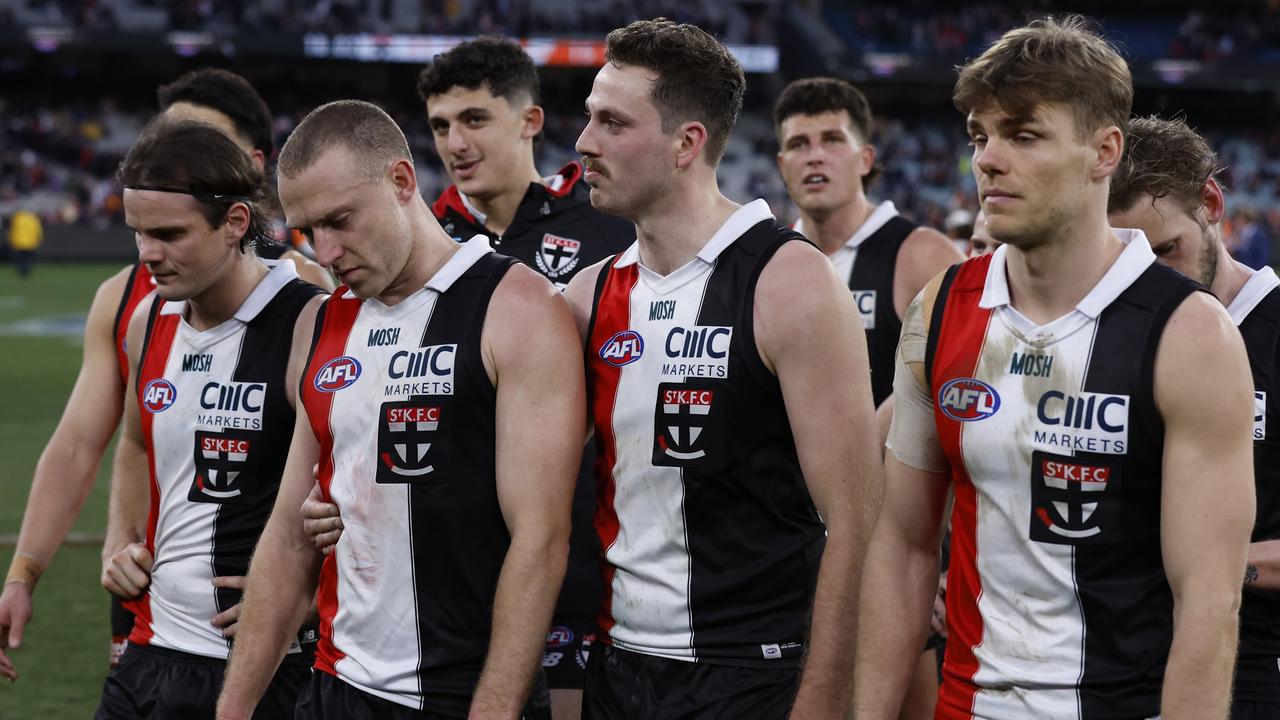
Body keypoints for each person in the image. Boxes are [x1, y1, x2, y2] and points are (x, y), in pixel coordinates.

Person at [854, 16, 1254, 720]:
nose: (988, 159)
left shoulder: (1192, 335)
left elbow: (1209, 603)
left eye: (1024, 134)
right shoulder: (941, 308)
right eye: (980, 136)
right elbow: (904, 546)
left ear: (1104, 152)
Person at [216, 100, 584, 720]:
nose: (325, 251)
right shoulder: (324, 320)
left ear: (401, 181)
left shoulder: (516, 305)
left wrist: (493, 708)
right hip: (333, 688)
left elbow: (540, 538)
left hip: (461, 695)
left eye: (340, 220)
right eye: (308, 230)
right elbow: (287, 536)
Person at [562, 19, 879, 719]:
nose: (585, 142)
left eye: (612, 122)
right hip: (616, 670)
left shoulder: (790, 282)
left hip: (751, 673)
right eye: (589, 118)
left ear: (687, 142)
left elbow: (858, 522)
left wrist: (822, 699)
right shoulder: (589, 295)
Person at [0, 67, 334, 682]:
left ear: (248, 175)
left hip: (258, 617)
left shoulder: (307, 295)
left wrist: (315, 586)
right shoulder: (129, 300)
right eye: (164, 140)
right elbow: (86, 444)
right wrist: (48, 563)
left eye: (198, 144)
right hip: (150, 598)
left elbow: (345, 463)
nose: (171, 160)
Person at [97, 119, 326, 718]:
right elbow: (135, 443)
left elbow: (361, 479)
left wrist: (310, 594)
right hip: (148, 653)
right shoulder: (150, 320)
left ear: (234, 224)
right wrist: (120, 539)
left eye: (169, 233)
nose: (148, 254)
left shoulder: (308, 321)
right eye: (138, 233)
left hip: (263, 664)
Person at [1109, 115, 1280, 720]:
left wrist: (1197, 561)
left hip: (1253, 671)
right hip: (1116, 667)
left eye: (1165, 252)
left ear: (1211, 203)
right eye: (1127, 263)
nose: (1152, 282)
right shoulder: (1110, 335)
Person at [773, 77, 963, 408]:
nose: (814, 156)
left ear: (866, 159)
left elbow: (964, 386)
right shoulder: (769, 263)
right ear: (782, 165)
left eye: (832, 140)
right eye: (798, 144)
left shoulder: (922, 256)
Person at [7, 208, 42, 279]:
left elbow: (12, 231)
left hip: (19, 242)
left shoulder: (17, 219)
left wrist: (11, 240)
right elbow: (38, 231)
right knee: (28, 259)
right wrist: (38, 240)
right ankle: (26, 272)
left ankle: (22, 272)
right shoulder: (33, 219)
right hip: (30, 243)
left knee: (20, 259)